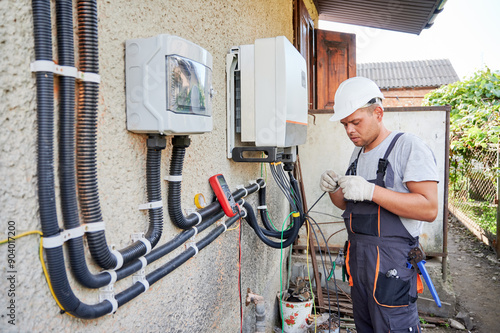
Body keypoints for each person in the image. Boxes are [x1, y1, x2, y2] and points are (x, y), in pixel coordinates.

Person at [319, 76, 439, 332]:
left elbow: (429, 208)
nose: (350, 130)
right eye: (345, 124)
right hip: (360, 266)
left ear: (378, 113)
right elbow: (350, 207)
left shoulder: (406, 147)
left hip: (391, 267)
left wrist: (372, 190)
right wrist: (334, 190)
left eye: (356, 122)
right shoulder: (357, 153)